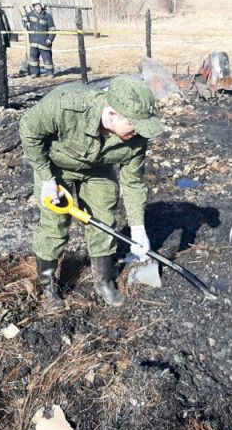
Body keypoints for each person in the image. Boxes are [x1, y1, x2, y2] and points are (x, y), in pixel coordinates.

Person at [19, 76, 164, 309]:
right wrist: (46, 177)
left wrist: (138, 228)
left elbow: (133, 182)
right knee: (54, 225)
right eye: (134, 124)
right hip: (56, 167)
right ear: (112, 113)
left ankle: (103, 281)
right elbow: (29, 129)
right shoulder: (66, 105)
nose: (139, 131)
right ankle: (47, 285)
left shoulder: (137, 139)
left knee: (103, 221)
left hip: (98, 170)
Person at [22, 0, 56, 78]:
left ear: (42, 6)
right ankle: (35, 73)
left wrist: (50, 39)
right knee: (33, 59)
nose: (38, 8)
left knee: (47, 59)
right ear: (34, 7)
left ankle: (50, 73)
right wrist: (24, 19)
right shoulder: (30, 14)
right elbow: (25, 18)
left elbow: (53, 30)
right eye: (36, 7)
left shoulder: (47, 16)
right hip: (33, 42)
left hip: (44, 42)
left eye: (39, 6)